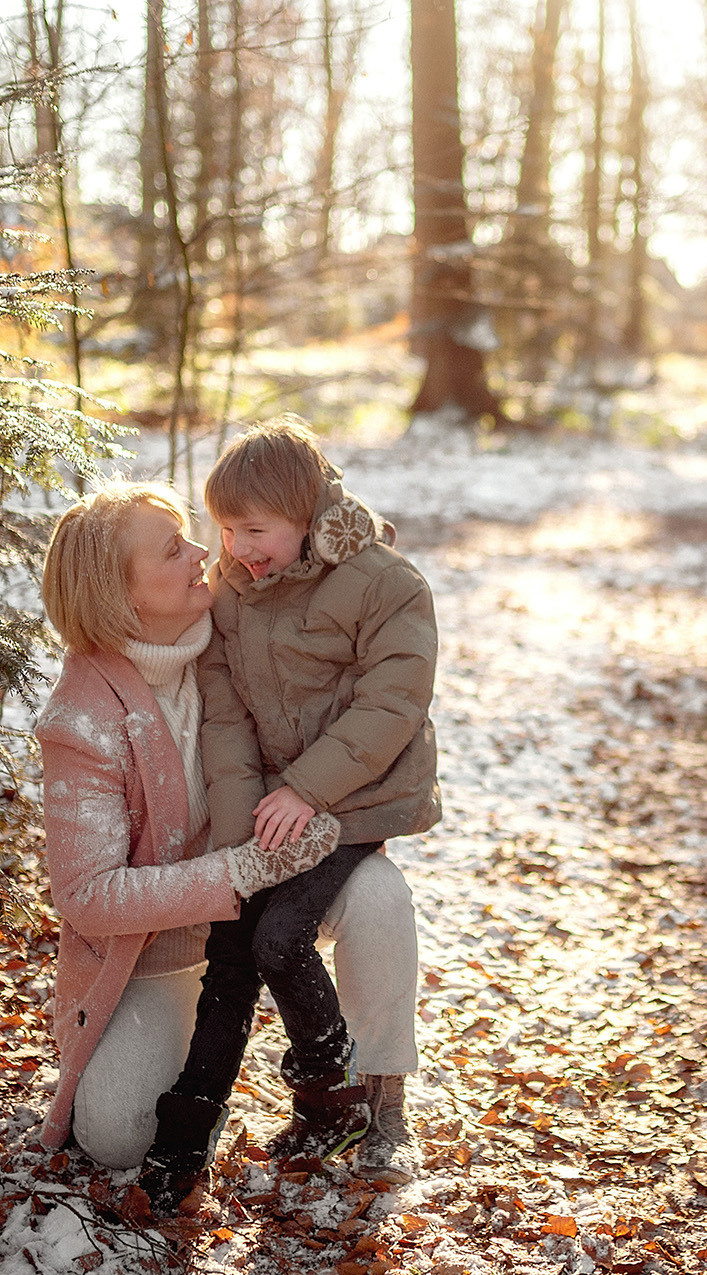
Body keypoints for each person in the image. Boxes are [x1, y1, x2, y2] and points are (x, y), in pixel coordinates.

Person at [139, 417, 436, 1207]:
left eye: (255, 529)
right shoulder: (236, 592)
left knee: (325, 921)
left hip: (357, 799)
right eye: (226, 529)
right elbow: (228, 715)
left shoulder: (386, 583)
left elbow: (392, 701)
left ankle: (361, 1102)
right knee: (238, 947)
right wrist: (242, 844)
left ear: (306, 517)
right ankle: (200, 1126)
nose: (236, 547)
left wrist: (307, 787)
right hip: (275, 807)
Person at [31, 482, 345, 1167]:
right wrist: (234, 873)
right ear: (121, 597)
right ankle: (194, 1048)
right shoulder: (82, 721)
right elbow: (86, 894)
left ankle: (370, 1100)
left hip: (279, 900)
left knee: (382, 898)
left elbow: (314, 558)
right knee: (116, 1134)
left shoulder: (229, 630)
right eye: (175, 550)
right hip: (162, 958)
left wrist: (348, 521)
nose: (204, 552)